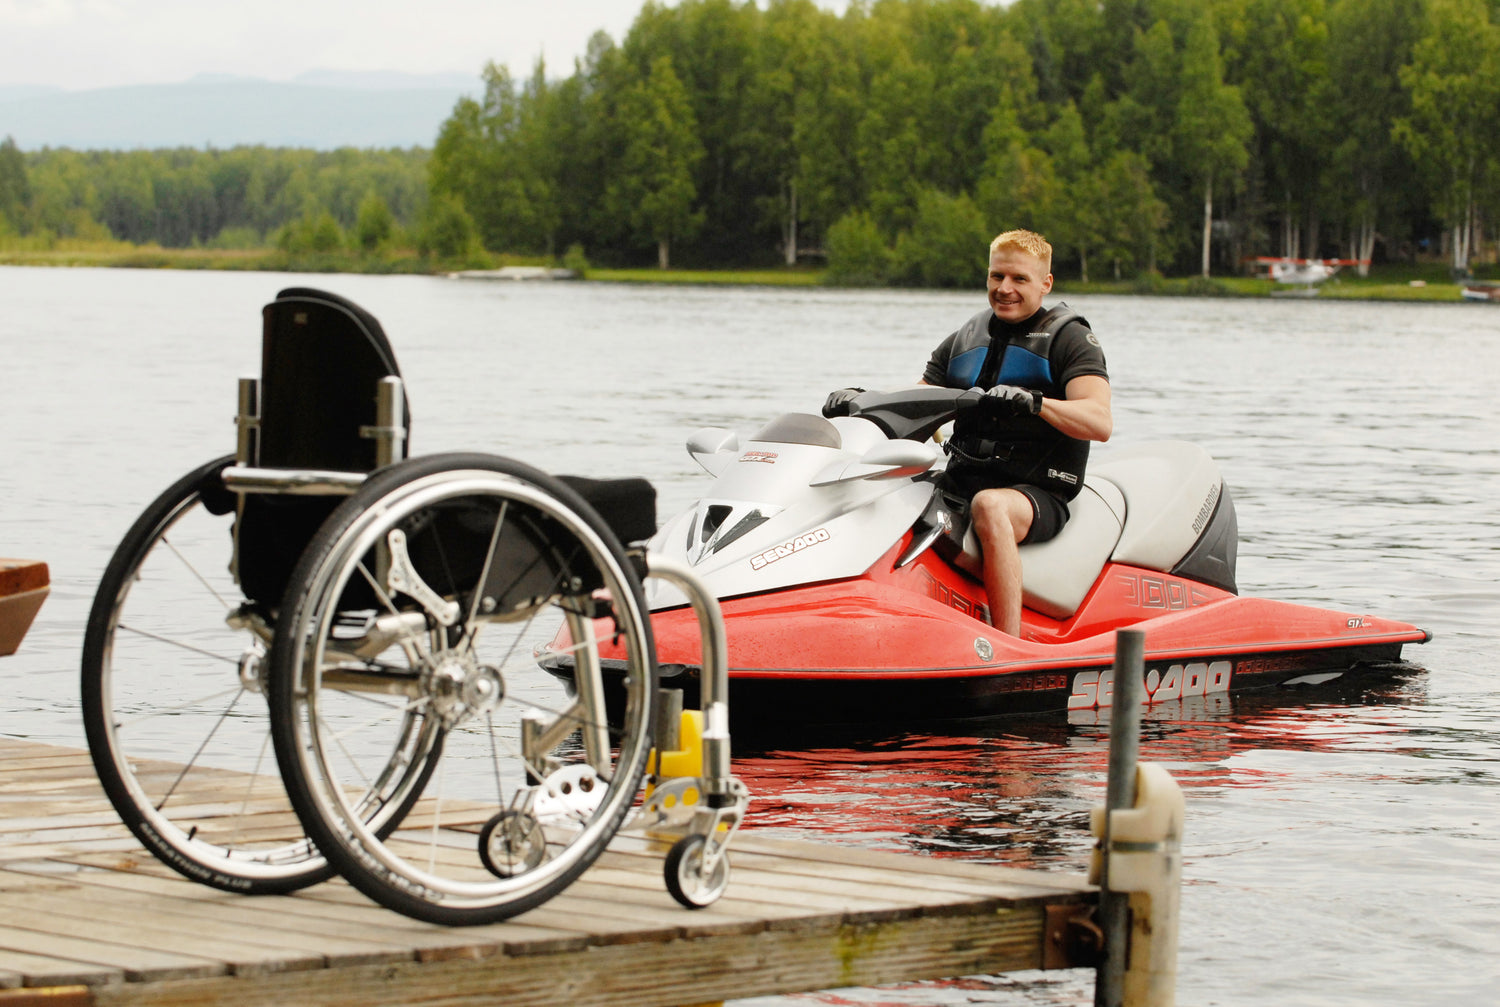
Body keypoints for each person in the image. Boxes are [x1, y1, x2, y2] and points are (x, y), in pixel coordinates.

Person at [829, 230, 1111, 636]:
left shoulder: (1071, 339)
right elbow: (918, 399)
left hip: (1037, 492)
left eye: (1019, 279)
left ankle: (1007, 642)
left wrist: (1036, 403)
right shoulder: (966, 337)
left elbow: (1099, 421)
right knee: (885, 490)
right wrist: (861, 399)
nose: (1005, 289)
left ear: (1045, 284)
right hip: (961, 479)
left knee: (990, 507)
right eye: (997, 277)